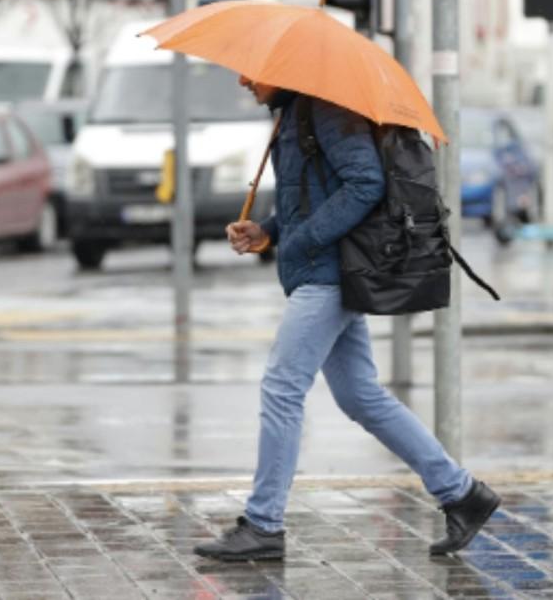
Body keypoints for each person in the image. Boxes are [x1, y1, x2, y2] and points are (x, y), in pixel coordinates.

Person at [193, 77, 499, 562]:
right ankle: (462, 494)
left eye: (253, 72)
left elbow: (366, 183)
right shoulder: (295, 115)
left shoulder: (325, 111)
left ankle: (264, 523)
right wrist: (268, 231)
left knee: (282, 387)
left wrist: (303, 239)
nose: (244, 80)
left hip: (328, 275)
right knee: (360, 395)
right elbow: (314, 195)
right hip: (322, 270)